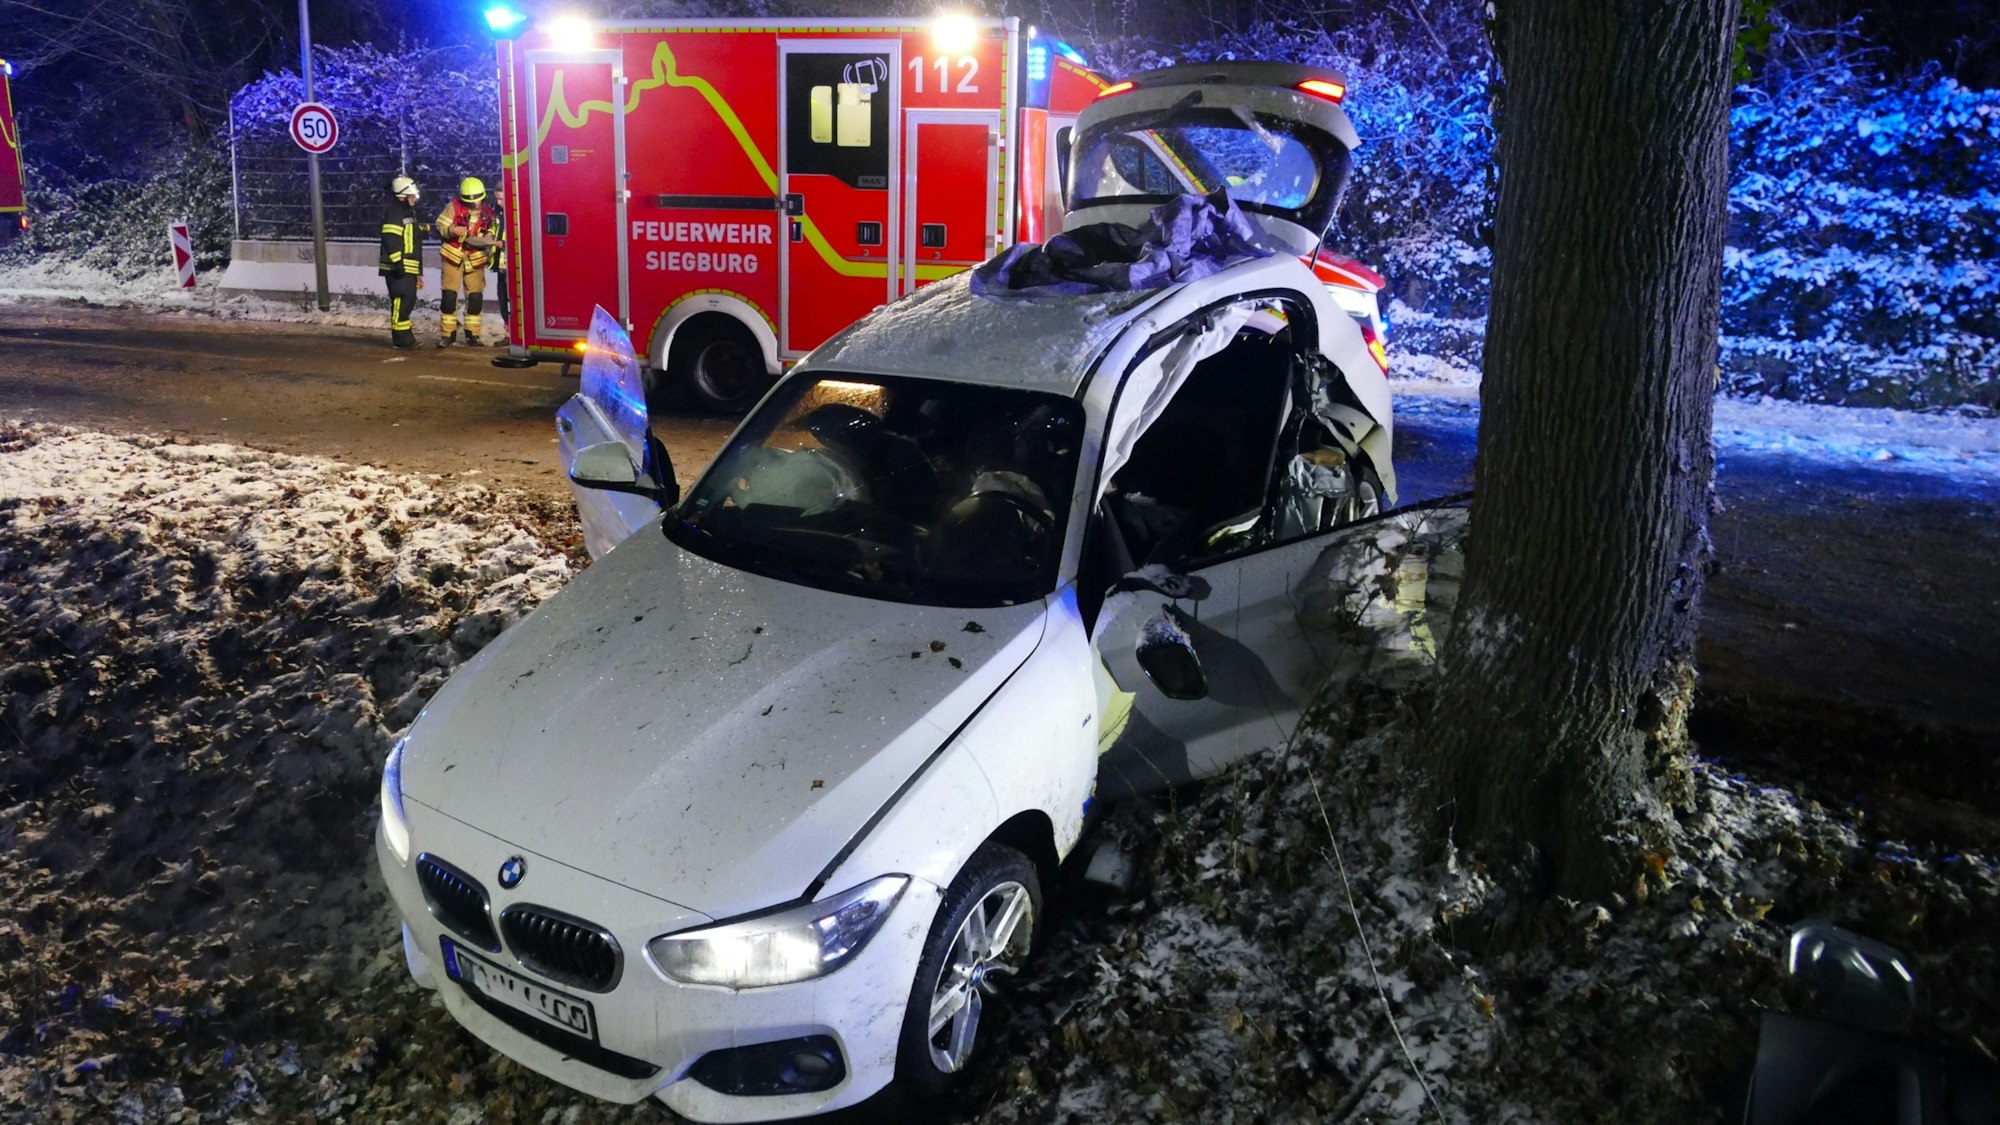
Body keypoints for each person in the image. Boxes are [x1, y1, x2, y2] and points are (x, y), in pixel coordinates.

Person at [434, 176, 498, 346]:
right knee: (449, 297)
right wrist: (453, 230)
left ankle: (472, 335)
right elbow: (440, 227)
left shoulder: (488, 212)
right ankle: (448, 335)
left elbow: (491, 230)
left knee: (475, 298)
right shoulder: (452, 207)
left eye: (477, 201)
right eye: (471, 203)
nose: (474, 205)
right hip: (453, 257)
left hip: (475, 260)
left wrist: (488, 238)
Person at [377, 175, 424, 350]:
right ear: (402, 195)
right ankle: (402, 340)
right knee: (401, 300)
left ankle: (405, 338)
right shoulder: (395, 213)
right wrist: (399, 263)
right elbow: (391, 239)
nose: (415, 199)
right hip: (398, 267)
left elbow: (408, 237)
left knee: (408, 300)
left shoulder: (406, 213)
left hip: (408, 266)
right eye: (413, 196)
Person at [492, 187, 510, 328]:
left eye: (501, 199)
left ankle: (516, 335)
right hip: (501, 266)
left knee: (513, 302)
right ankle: (509, 333)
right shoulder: (498, 214)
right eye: (496, 198)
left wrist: (503, 243)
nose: (498, 202)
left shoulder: (515, 214)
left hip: (513, 267)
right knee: (503, 301)